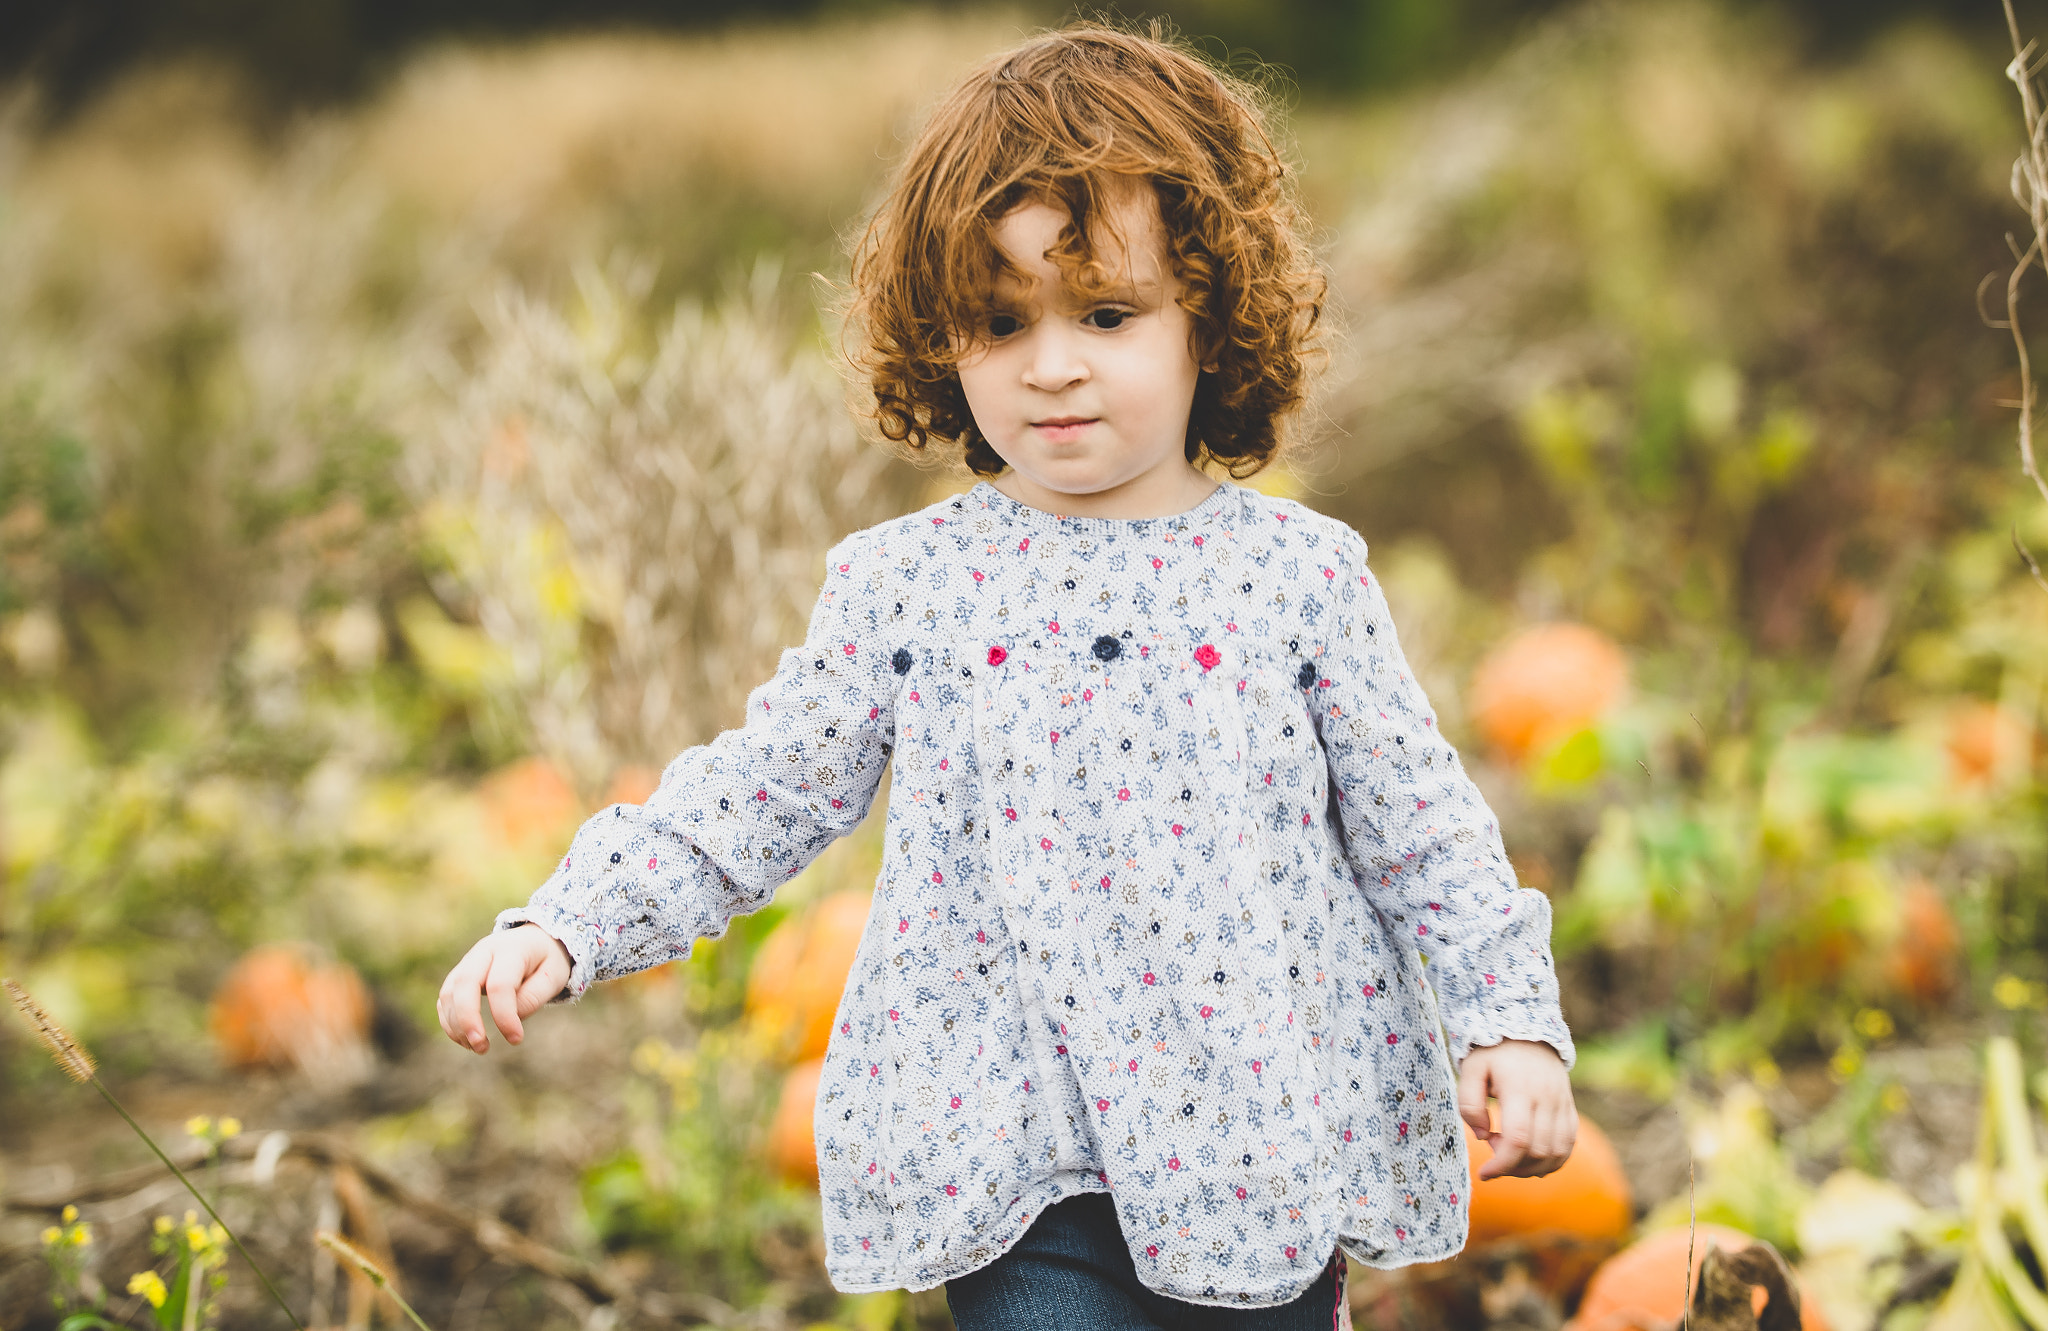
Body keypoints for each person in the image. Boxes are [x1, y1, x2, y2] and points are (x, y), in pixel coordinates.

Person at [438, 22, 1577, 1330]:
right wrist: (573, 919)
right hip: (1011, 1149)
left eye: (1105, 313)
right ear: (940, 337)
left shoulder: (1297, 582)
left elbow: (1418, 828)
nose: (1050, 365)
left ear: (1210, 310)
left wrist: (1509, 1019)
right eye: (998, 321)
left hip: (1255, 1134)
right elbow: (761, 790)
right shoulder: (911, 588)